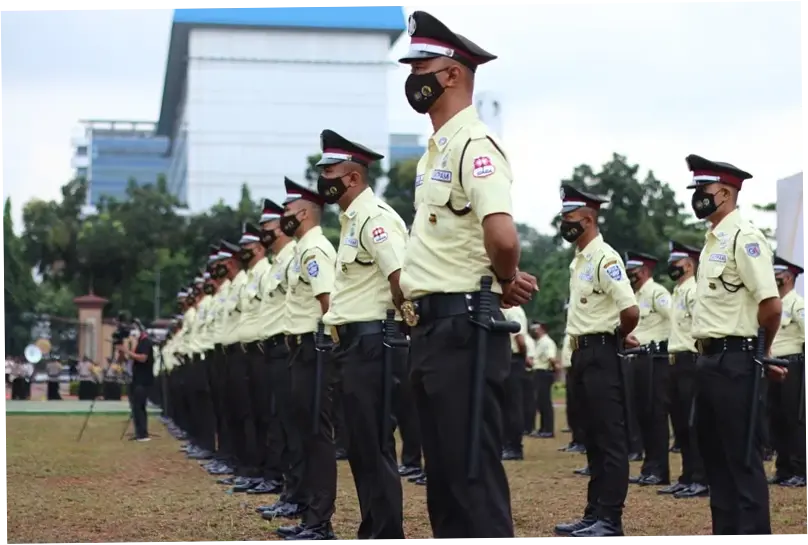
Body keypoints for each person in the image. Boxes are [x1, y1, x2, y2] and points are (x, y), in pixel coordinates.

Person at [397, 11, 537, 543]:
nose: (414, 76)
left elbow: (502, 237)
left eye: (421, 64)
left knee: (472, 477)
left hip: (464, 332)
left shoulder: (475, 147)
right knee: (446, 478)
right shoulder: (436, 152)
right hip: (433, 331)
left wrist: (504, 280)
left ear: (453, 74)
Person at [315, 129, 408, 543]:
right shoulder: (352, 220)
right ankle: (373, 528)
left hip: (374, 343)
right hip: (353, 345)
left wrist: (398, 325)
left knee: (374, 445)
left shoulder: (375, 218)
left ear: (352, 177)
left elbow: (401, 278)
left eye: (329, 170)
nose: (324, 177)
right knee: (359, 445)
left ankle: (387, 534)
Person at [686, 154, 784, 536]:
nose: (697, 198)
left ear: (724, 193)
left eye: (703, 191)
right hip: (708, 362)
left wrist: (764, 351)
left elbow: (771, 305)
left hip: (736, 361)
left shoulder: (745, 238)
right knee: (715, 461)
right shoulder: (712, 242)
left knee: (742, 462)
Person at [553, 184, 640, 540]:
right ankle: (594, 512)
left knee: (610, 439)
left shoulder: (605, 258)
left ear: (587, 219)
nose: (564, 224)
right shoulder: (580, 260)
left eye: (569, 218)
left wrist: (616, 336)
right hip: (581, 355)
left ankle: (610, 518)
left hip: (602, 353)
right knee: (592, 438)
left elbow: (630, 309)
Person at [275, 177, 338, 543]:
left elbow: (327, 303)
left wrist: (326, 351)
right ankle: (311, 515)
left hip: (315, 349)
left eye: (286, 210)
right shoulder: (303, 249)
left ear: (302, 212)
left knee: (317, 435)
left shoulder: (315, 250)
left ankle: (320, 522)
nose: (284, 216)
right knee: (305, 433)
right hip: (301, 350)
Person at [255, 198, 307, 519]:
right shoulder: (278, 263)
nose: (265, 234)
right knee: (282, 424)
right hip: (276, 349)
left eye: (268, 227)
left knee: (295, 427)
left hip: (291, 348)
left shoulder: (296, 258)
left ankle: (298, 495)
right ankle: (290, 492)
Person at [237, 222, 286, 495]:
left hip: (267, 349)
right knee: (253, 414)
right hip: (252, 352)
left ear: (256, 248)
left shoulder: (267, 271)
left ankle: (273, 474)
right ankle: (257, 470)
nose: (242, 252)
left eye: (246, 247)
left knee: (270, 416)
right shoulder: (255, 276)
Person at [661, 240, 709, 498]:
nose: (671, 268)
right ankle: (687, 475)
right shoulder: (678, 292)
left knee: (693, 424)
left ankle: (701, 478)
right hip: (674, 362)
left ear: (689, 265)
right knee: (679, 425)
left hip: (690, 361)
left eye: (675, 264)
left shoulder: (694, 291)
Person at [625, 251, 673, 487]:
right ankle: (648, 467)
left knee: (655, 413)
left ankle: (659, 469)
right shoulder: (634, 296)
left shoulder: (657, 292)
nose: (628, 276)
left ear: (643, 271)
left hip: (655, 357)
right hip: (639, 358)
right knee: (642, 412)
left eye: (631, 272)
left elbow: (674, 318)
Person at [768, 256, 807, 487]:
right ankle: (783, 468)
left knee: (795, 417)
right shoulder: (775, 304)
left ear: (789, 277)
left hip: (793, 363)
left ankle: (800, 470)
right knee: (777, 417)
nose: (774, 279)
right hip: (774, 362)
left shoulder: (797, 303)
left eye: (778, 275)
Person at [502, 305, 529, 460]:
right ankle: (506, 444)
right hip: (505, 358)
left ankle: (514, 447)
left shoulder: (513, 310)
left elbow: (519, 338)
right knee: (504, 405)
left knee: (513, 405)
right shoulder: (505, 309)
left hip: (513, 359)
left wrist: (522, 357)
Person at [122, 321, 155, 442]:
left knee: (140, 406)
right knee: (135, 406)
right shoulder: (138, 343)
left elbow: (143, 358)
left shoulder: (145, 342)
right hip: (135, 378)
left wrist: (128, 352)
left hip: (143, 379)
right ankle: (139, 432)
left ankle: (143, 433)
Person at [529, 322, 558, 438]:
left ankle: (548, 429)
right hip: (538, 372)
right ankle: (543, 428)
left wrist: (554, 370)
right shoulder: (540, 342)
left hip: (544, 372)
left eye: (536, 329)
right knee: (541, 402)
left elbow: (551, 358)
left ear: (542, 329)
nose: (535, 331)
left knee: (545, 402)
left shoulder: (547, 342)